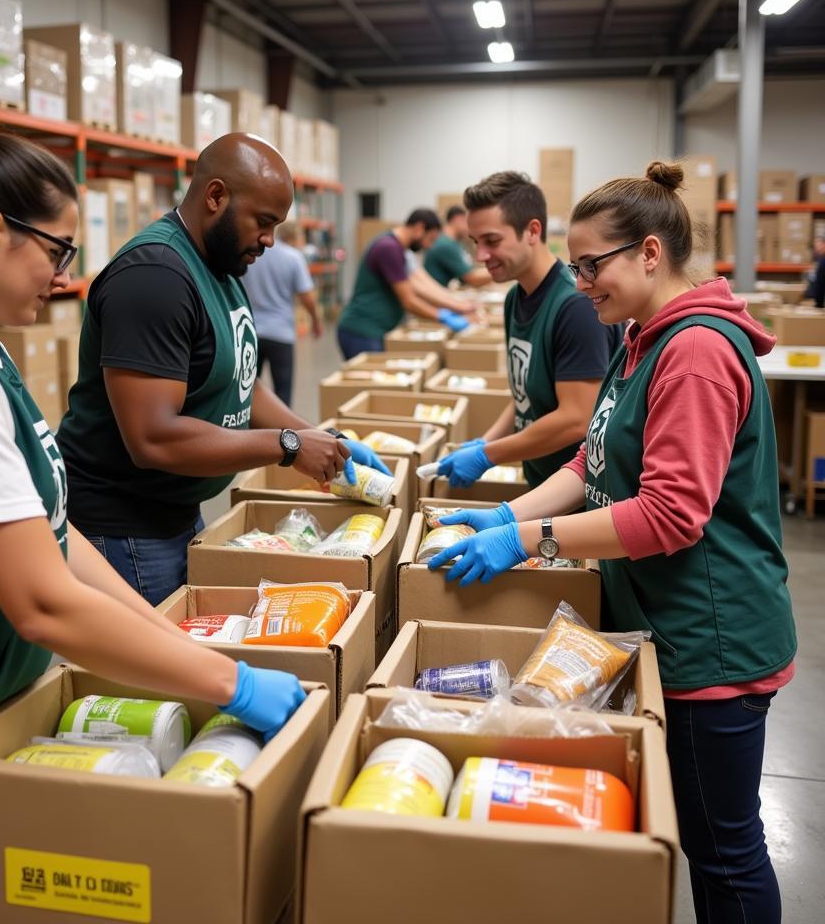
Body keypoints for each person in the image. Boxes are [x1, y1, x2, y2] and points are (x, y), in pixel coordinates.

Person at [0, 99, 306, 924]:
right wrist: (230, 681)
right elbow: (40, 601)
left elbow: (55, 541)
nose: (66, 277)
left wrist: (165, 638)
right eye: (58, 250)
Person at [429, 161, 797, 924]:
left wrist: (529, 538)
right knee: (701, 837)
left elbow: (669, 515)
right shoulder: (638, 339)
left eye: (592, 265)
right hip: (664, 625)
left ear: (651, 254)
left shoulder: (693, 354)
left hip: (712, 639)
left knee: (724, 853)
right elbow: (589, 458)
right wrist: (506, 517)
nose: (580, 280)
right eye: (576, 265)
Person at [57, 134, 388, 604]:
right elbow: (152, 438)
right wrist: (288, 447)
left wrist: (321, 438)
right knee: (157, 672)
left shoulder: (221, 269)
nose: (270, 241)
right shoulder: (156, 276)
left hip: (174, 512)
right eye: (264, 222)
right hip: (126, 529)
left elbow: (241, 385)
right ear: (216, 196)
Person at [435, 172, 621, 490]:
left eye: (492, 241)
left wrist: (489, 455)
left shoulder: (574, 306)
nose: (481, 256)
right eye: (476, 243)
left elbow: (576, 418)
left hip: (575, 496)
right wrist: (484, 442)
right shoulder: (514, 300)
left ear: (532, 231)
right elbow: (527, 398)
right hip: (538, 480)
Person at [336, 207, 474, 359]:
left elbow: (423, 284)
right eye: (430, 239)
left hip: (375, 330)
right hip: (362, 330)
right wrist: (444, 317)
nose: (428, 246)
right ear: (419, 228)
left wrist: (457, 305)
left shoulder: (401, 250)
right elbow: (409, 300)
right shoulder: (388, 248)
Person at [244, 219, 321, 406]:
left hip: (250, 331)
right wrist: (316, 321)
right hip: (281, 334)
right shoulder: (293, 257)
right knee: (282, 392)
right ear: (294, 237)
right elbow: (307, 296)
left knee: (247, 390)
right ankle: (281, 434)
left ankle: (249, 432)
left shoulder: (254, 253)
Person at [423, 205, 492, 288]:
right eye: (468, 223)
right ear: (457, 219)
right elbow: (472, 278)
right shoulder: (445, 245)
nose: (469, 228)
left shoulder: (454, 243)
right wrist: (502, 271)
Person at [803, 234, 825, 307]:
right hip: (817, 297)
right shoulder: (819, 259)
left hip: (820, 299)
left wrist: (819, 303)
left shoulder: (823, 261)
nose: (816, 247)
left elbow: (820, 282)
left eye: (818, 244)